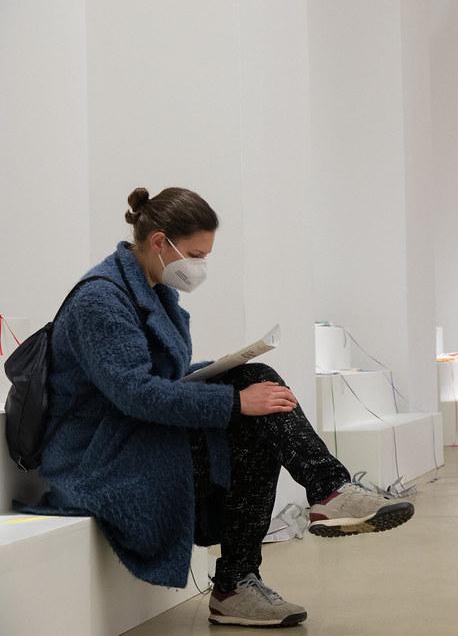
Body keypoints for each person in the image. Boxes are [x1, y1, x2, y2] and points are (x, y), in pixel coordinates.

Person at [35, 187, 413, 628]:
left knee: (257, 392)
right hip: (96, 459)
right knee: (252, 401)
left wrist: (225, 375)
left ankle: (309, 511)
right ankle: (312, 508)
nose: (200, 266)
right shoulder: (100, 300)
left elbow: (154, 382)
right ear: (159, 242)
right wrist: (234, 399)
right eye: (196, 255)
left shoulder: (148, 289)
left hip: (127, 435)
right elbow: (136, 393)